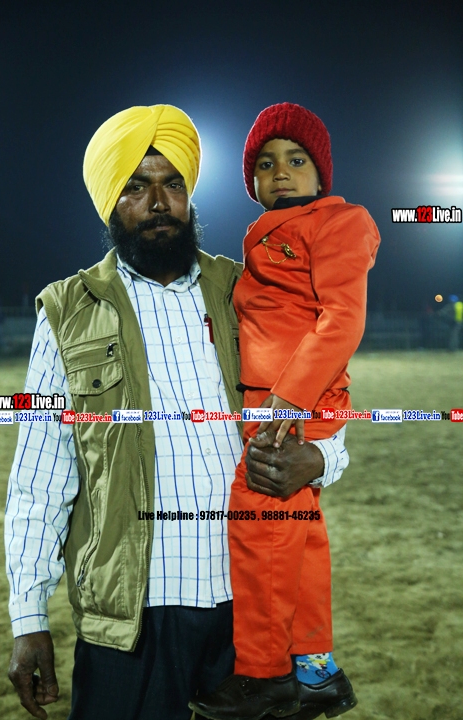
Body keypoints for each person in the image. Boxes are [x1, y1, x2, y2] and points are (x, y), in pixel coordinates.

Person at [5, 104, 350, 720]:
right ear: (110, 202)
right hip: (129, 614)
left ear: (190, 195)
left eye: (173, 184)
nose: (158, 202)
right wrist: (28, 618)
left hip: (250, 608)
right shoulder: (67, 311)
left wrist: (321, 458)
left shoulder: (250, 290)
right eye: (136, 187)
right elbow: (40, 479)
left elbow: (326, 394)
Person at [190, 102, 380, 720]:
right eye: (266, 164)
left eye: (296, 160)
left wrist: (288, 398)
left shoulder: (339, 221)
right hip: (276, 399)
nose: (281, 172)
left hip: (292, 402)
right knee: (299, 533)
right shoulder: (267, 231)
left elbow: (343, 318)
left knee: (259, 526)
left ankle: (264, 674)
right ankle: (317, 672)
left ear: (322, 172)